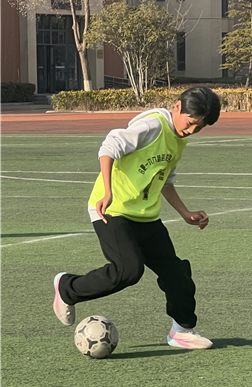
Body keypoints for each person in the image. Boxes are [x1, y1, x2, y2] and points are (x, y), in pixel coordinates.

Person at [52, 87, 221, 350]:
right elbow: (109, 147)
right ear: (177, 107)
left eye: (199, 128)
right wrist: (107, 191)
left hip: (146, 216)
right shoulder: (153, 126)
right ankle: (67, 288)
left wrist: (185, 213)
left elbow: (165, 180)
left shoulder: (179, 139)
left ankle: (182, 330)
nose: (191, 130)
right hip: (112, 210)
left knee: (176, 273)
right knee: (128, 270)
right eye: (190, 123)